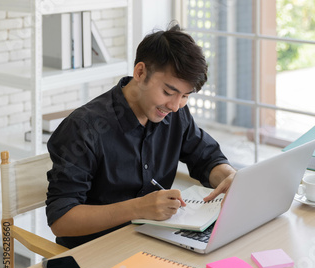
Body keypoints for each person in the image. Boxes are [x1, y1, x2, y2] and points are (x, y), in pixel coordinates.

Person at [46, 23, 236, 248]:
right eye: (168, 92)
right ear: (140, 72)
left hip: (153, 241)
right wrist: (138, 208)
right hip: (96, 252)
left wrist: (229, 178)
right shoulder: (83, 128)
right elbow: (61, 219)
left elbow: (206, 158)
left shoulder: (174, 113)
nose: (175, 106)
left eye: (185, 96)